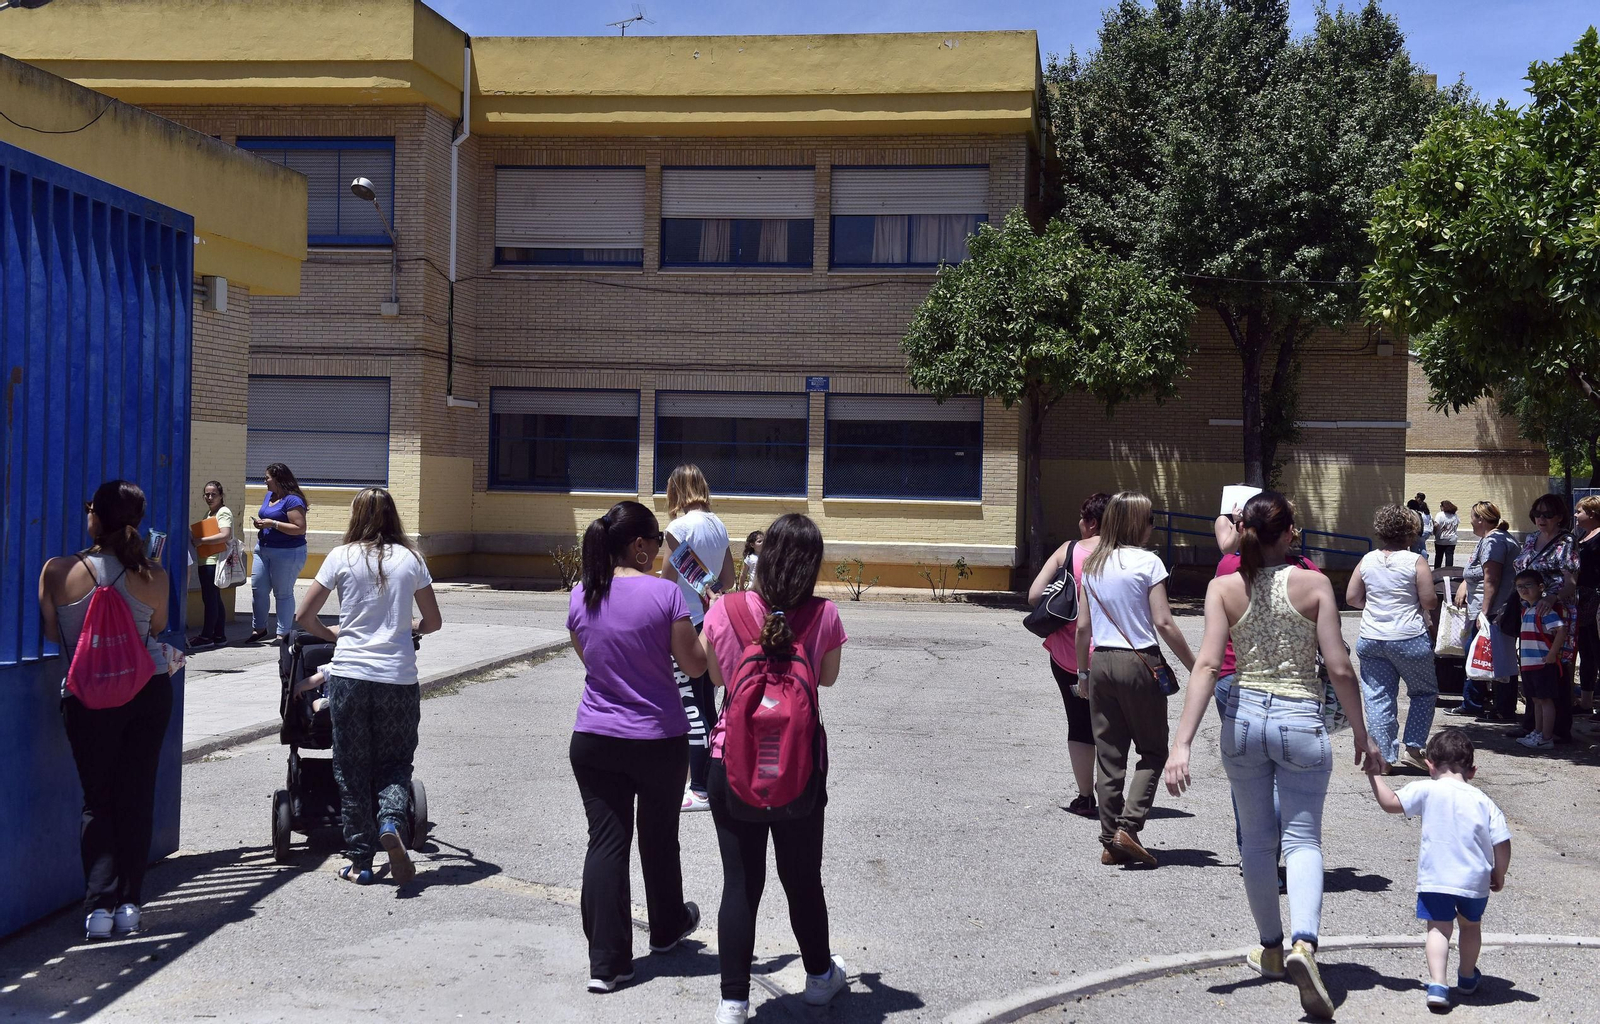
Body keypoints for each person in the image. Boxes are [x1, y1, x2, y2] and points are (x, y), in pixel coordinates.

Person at [1165, 491, 1382, 1021]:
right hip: (1299, 718)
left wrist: (1182, 743)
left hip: (1243, 721)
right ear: (1288, 533)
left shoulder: (1223, 587)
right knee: (1303, 838)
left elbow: (1208, 665)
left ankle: (1270, 947)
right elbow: (1339, 667)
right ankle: (1304, 943)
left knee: (1257, 843)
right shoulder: (1314, 584)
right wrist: (1364, 734)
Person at [699, 514, 849, 1023]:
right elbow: (826, 679)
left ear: (762, 558)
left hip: (732, 763)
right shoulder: (825, 614)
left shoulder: (725, 609)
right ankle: (819, 977)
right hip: (799, 767)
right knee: (803, 877)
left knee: (740, 882)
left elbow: (715, 677)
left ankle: (733, 1002)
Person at [565, 500, 707, 993]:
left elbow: (591, 660)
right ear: (640, 546)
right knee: (659, 837)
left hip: (594, 737)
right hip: (657, 739)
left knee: (606, 842)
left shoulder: (581, 594)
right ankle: (666, 928)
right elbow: (695, 665)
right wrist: (711, 619)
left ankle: (607, 963)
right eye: (657, 542)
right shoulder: (666, 594)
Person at [37, 480, 174, 940]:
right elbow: (157, 627)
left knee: (98, 801)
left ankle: (98, 909)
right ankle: (130, 906)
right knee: (136, 796)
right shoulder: (154, 575)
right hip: (147, 690)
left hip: (86, 697)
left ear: (95, 516)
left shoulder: (57, 571)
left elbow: (54, 634)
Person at [294, 487, 442, 886]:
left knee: (351, 767)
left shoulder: (340, 556)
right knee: (395, 761)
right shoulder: (412, 559)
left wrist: (332, 635)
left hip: (350, 677)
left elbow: (303, 615)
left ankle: (360, 861)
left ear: (355, 516)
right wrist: (409, 626)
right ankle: (390, 821)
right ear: (393, 515)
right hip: (397, 678)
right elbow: (433, 622)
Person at [1073, 491, 1196, 868]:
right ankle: (1128, 827)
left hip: (1101, 663)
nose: (1152, 527)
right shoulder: (1148, 562)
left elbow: (1082, 627)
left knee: (1109, 757)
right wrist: (1195, 665)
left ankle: (1110, 840)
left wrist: (1082, 673)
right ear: (1135, 523)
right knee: (1153, 751)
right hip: (1140, 660)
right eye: (1149, 520)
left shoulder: (1093, 565)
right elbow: (1163, 622)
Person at [1367, 729, 1510, 1011]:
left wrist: (1374, 775)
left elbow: (1390, 803)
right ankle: (1467, 976)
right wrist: (1499, 872)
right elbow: (1502, 842)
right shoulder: (1484, 800)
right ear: (1472, 771)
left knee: (1439, 929)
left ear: (1429, 765)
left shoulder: (1426, 789)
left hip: (1436, 878)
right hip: (1474, 880)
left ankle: (1438, 984)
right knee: (1471, 927)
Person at [1028, 492, 1110, 817]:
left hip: (1068, 655)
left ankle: (1085, 797)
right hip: (1112, 655)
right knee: (1110, 726)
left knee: (1078, 724)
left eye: (1082, 517)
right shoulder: (1125, 555)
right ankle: (1111, 795)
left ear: (1091, 522)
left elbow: (1035, 595)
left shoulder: (1068, 550)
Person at [661, 464, 735, 812]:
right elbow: (729, 579)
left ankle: (700, 789)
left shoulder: (678, 528)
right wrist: (708, 588)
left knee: (690, 704)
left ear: (676, 490)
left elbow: (666, 582)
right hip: (711, 622)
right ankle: (711, 779)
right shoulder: (719, 525)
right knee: (707, 702)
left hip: (685, 623)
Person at [1347, 505, 1438, 772]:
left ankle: (1383, 758)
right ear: (1411, 532)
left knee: (1378, 697)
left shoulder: (1367, 560)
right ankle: (1414, 747)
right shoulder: (1415, 561)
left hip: (1371, 637)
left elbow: (1352, 598)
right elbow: (1429, 601)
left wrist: (1375, 606)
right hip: (1408, 637)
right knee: (1423, 692)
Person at [1513, 493, 1577, 742]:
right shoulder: (1531, 539)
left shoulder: (1566, 541)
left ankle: (1556, 730)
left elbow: (1571, 582)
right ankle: (1533, 725)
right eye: (1537, 513)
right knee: (1531, 667)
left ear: (1559, 516)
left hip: (1554, 610)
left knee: (1552, 668)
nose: (1541, 518)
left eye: (1547, 514)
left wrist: (1552, 597)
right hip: (1529, 609)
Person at [1449, 502, 1520, 720]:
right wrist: (1464, 584)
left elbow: (1492, 579)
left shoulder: (1494, 541)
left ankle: (1500, 708)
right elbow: (1479, 572)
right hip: (1491, 610)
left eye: (1472, 517)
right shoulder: (1491, 539)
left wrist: (1485, 612)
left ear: (1481, 519)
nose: (1470, 521)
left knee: (1496, 657)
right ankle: (1475, 702)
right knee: (1480, 654)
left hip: (1495, 612)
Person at [247, 462, 310, 644]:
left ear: (278, 479)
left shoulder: (293, 500)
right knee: (258, 589)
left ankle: (283, 633)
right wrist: (261, 524)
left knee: (282, 593)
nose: (264, 481)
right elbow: (267, 517)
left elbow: (299, 528)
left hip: (287, 552)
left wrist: (272, 524)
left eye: (267, 478)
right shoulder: (269, 495)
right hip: (263, 549)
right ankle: (259, 629)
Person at [1512, 569, 1567, 751]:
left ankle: (1546, 737)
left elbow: (1561, 629)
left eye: (1528, 585)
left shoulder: (1544, 610)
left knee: (1545, 700)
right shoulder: (1526, 610)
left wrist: (1552, 654)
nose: (1523, 589)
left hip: (1543, 664)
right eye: (1519, 587)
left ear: (1540, 587)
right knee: (1535, 700)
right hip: (1529, 665)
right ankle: (1538, 731)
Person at [188, 480, 234, 648]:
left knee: (210, 600)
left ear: (221, 496)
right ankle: (219, 636)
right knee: (215, 599)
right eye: (207, 494)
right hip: (206, 560)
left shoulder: (223, 512)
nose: (209, 497)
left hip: (213, 562)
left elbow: (225, 535)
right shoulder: (209, 513)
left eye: (213, 494)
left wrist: (201, 540)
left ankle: (207, 636)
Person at [1570, 496, 1600, 718]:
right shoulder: (1582, 535)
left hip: (1596, 602)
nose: (1575, 515)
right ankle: (1585, 702)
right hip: (1582, 602)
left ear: (1592, 513)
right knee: (1587, 652)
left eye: (1579, 511)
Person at [1433, 501, 1460, 569]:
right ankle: (1449, 571)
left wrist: (1434, 532)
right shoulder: (1454, 515)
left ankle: (1437, 571)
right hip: (1452, 539)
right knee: (1449, 556)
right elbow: (1457, 525)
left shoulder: (1440, 514)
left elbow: (1436, 525)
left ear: (1443, 507)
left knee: (1439, 556)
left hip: (1441, 539)